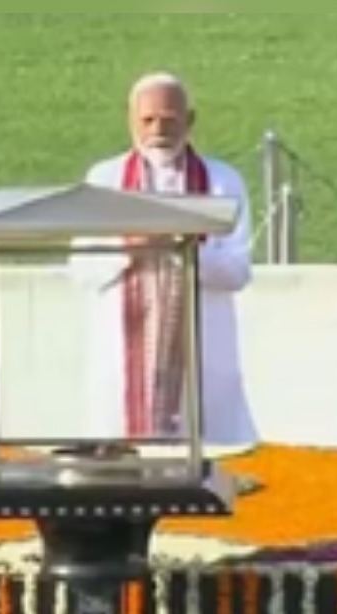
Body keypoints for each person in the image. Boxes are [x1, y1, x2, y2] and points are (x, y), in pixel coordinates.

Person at [69, 71, 257, 446]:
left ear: (190, 120)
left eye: (169, 120)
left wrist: (182, 250)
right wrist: (132, 246)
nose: (159, 130)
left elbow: (238, 271)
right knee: (121, 461)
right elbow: (82, 270)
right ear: (130, 120)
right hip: (122, 346)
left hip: (201, 349)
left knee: (209, 456)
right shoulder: (104, 180)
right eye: (148, 120)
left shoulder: (223, 182)